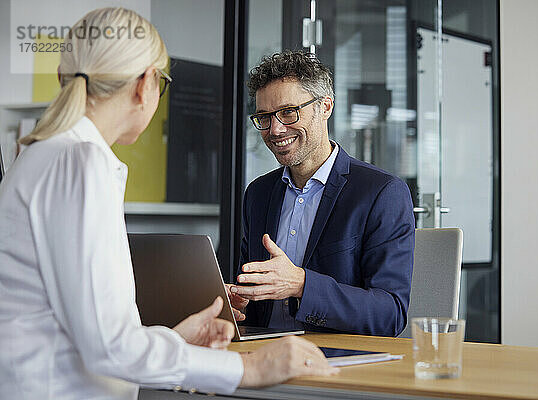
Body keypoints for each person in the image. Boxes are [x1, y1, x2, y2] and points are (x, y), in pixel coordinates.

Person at [0, 9, 336, 400]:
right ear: (146, 84)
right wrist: (248, 367)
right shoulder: (80, 163)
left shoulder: (43, 156)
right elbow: (108, 346)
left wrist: (172, 341)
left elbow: (82, 327)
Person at [227, 51, 415, 337]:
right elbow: (257, 299)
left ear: (325, 106)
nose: (275, 129)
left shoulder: (382, 193)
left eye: (289, 112)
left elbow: (389, 314)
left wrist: (302, 285)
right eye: (264, 117)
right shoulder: (258, 194)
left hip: (336, 364)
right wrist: (238, 301)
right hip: (262, 356)